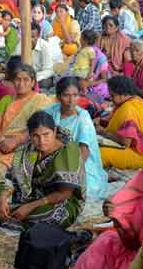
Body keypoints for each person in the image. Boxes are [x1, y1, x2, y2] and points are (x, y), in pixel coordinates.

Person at [0, 111, 85, 230]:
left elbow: (65, 193)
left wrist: (30, 207)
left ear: (54, 130)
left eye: (46, 134)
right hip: (31, 193)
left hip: (58, 200)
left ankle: (15, 215)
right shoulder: (28, 148)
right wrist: (3, 197)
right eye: (36, 136)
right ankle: (12, 212)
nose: (41, 141)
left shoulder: (68, 151)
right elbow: (14, 177)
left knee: (55, 216)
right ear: (30, 135)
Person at [0, 64, 52, 186]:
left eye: (26, 80)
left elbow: (39, 127)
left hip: (24, 147)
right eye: (18, 79)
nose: (21, 83)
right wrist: (1, 140)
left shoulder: (40, 101)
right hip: (1, 144)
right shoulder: (6, 100)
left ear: (33, 82)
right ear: (12, 82)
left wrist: (15, 142)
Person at [43, 76, 108, 207]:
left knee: (84, 190)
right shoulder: (50, 111)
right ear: (58, 96)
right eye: (66, 95)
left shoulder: (82, 117)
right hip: (49, 155)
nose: (71, 100)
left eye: (75, 95)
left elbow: (84, 150)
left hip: (75, 160)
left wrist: (71, 173)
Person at [98, 75, 143, 170]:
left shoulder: (128, 109)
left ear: (123, 94)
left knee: (97, 154)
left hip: (138, 155)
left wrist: (103, 132)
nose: (111, 99)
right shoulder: (140, 101)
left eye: (113, 96)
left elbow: (125, 142)